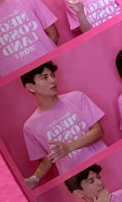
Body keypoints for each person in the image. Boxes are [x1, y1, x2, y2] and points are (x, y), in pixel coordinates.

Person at [20, 61, 107, 189]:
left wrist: (69, 147)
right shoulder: (30, 126)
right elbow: (46, 160)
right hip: (76, 180)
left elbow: (98, 132)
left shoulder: (77, 98)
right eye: (44, 77)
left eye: (53, 75)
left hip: (103, 163)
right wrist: (35, 179)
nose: (53, 81)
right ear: (31, 87)